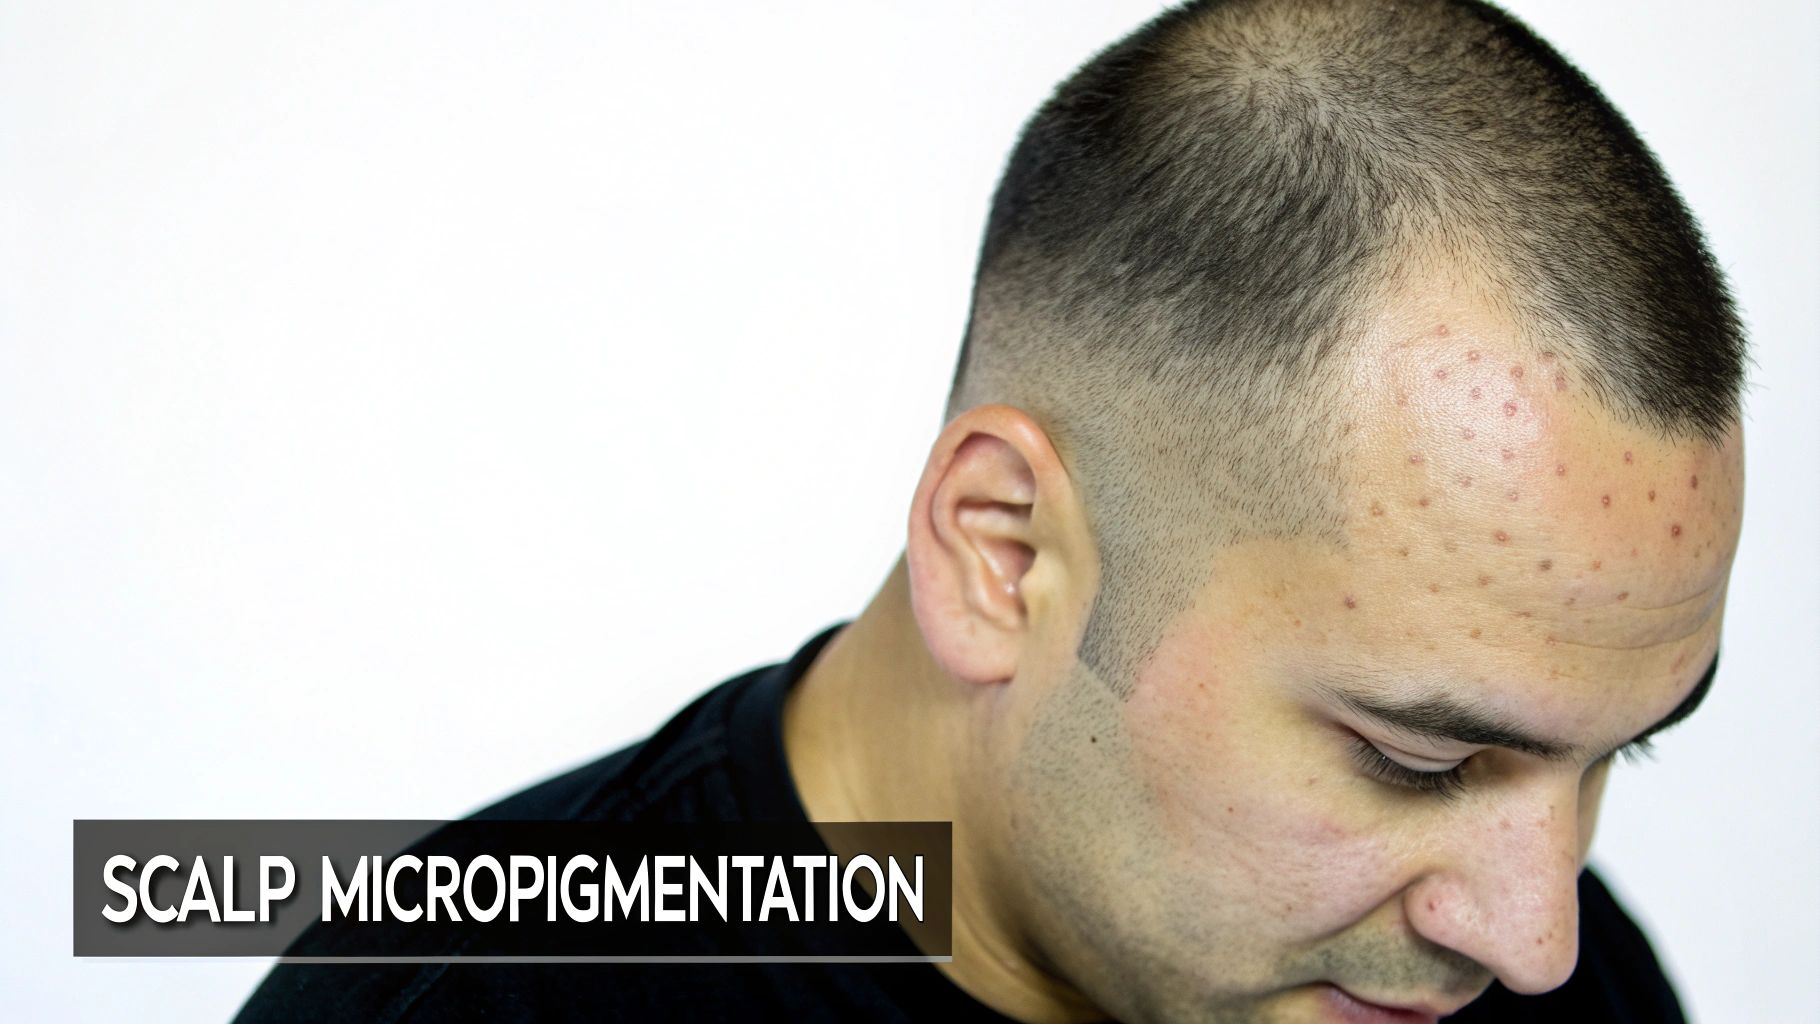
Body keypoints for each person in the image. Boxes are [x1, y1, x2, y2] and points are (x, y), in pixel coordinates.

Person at [237, 0, 1743, 1020]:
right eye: (1420, 761)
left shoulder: (1586, 993)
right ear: (1005, 555)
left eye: (1618, 755)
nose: (1538, 942)